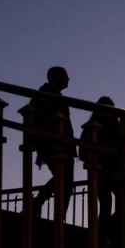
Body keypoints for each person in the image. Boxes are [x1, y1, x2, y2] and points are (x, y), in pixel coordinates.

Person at [30, 66, 77, 219]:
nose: (68, 79)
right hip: (55, 145)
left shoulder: (48, 94)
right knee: (65, 181)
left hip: (60, 144)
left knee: (63, 180)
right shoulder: (46, 95)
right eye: (65, 75)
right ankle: (55, 213)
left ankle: (40, 205)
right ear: (56, 77)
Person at [79, 96, 119, 248]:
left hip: (101, 173)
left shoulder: (91, 128)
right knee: (115, 205)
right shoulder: (115, 127)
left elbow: (82, 153)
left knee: (106, 207)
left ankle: (102, 240)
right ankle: (106, 239)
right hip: (112, 172)